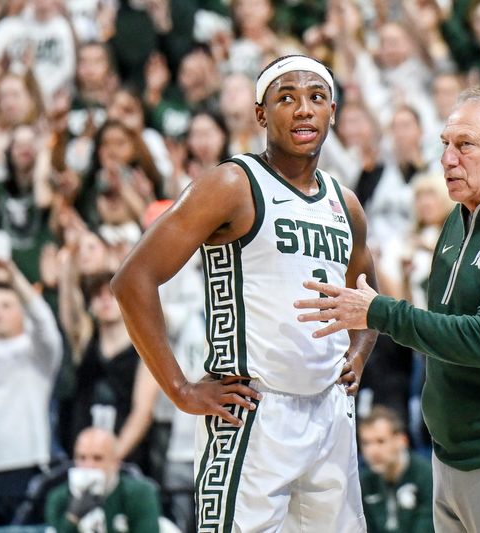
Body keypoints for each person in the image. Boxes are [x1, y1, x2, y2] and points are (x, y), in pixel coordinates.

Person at [297, 86, 480, 531]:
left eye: (465, 145)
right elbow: (442, 326)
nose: (447, 159)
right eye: (445, 144)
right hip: (453, 456)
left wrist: (378, 312)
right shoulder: (461, 217)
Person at [111, 54, 377, 532]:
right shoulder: (232, 183)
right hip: (253, 411)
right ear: (260, 114)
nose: (303, 109)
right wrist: (179, 388)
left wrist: (357, 353)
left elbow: (366, 294)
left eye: (316, 97)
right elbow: (133, 279)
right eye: (286, 98)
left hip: (330, 412)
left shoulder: (346, 203)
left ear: (332, 111)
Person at [0, 259, 63, 526]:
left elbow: (44, 322)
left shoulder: (38, 354)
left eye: (6, 306)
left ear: (22, 311)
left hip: (24, 466)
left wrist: (14, 277)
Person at [45, 427, 161, 533]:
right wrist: (73, 518)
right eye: (82, 458)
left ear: (115, 462)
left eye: (97, 458)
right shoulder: (58, 498)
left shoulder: (140, 494)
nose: (89, 466)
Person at [358, 406, 434, 533]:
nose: (372, 451)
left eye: (380, 441)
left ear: (402, 440)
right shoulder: (364, 483)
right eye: (366, 443)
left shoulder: (427, 476)